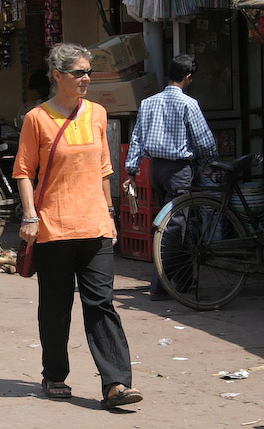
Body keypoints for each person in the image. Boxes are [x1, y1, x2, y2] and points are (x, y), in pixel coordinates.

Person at [13, 42, 142, 409]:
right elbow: (23, 172)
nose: (86, 79)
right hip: (53, 226)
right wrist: (29, 217)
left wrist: (110, 213)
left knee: (101, 302)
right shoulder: (36, 118)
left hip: (95, 225)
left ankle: (116, 383)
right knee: (56, 306)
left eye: (89, 72)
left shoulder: (98, 114)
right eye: (79, 73)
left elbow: (104, 169)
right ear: (58, 76)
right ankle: (54, 375)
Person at [122, 54, 217, 300]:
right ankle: (161, 283)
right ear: (188, 77)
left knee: (173, 222)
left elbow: (137, 139)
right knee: (174, 226)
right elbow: (204, 142)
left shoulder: (149, 103)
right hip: (178, 171)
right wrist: (213, 163)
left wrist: (132, 171)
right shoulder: (188, 104)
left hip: (156, 170)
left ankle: (183, 280)